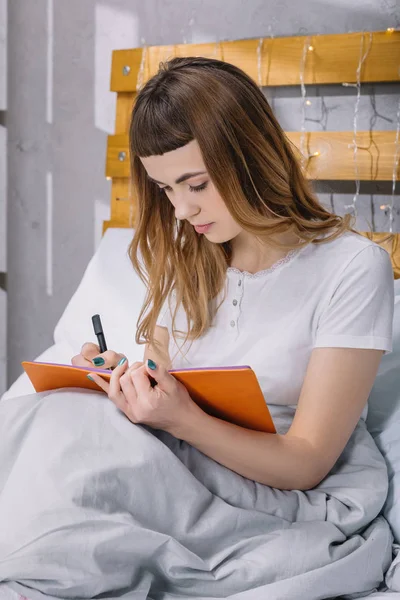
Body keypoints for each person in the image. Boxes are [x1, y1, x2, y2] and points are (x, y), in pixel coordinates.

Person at [72, 56, 394, 492]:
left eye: (197, 185)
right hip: (177, 469)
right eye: (166, 189)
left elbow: (306, 464)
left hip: (278, 492)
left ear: (251, 157)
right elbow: (164, 388)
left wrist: (184, 420)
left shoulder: (351, 269)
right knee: (49, 428)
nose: (182, 211)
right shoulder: (190, 255)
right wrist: (128, 385)